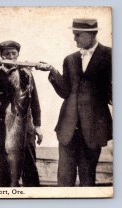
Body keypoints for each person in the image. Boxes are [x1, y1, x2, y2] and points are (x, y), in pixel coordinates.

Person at [36, 18, 112, 186]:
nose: (74, 39)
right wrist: (52, 71)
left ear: (93, 34)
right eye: (73, 35)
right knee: (64, 178)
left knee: (87, 177)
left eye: (78, 35)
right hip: (68, 127)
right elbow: (65, 92)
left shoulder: (111, 55)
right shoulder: (69, 59)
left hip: (93, 128)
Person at [0, 40, 43, 187]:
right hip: (3, 126)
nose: (10, 56)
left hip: (24, 126)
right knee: (5, 166)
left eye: (13, 53)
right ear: (1, 55)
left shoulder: (26, 73)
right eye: (6, 54)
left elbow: (34, 101)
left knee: (29, 165)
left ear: (18, 55)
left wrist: (38, 126)